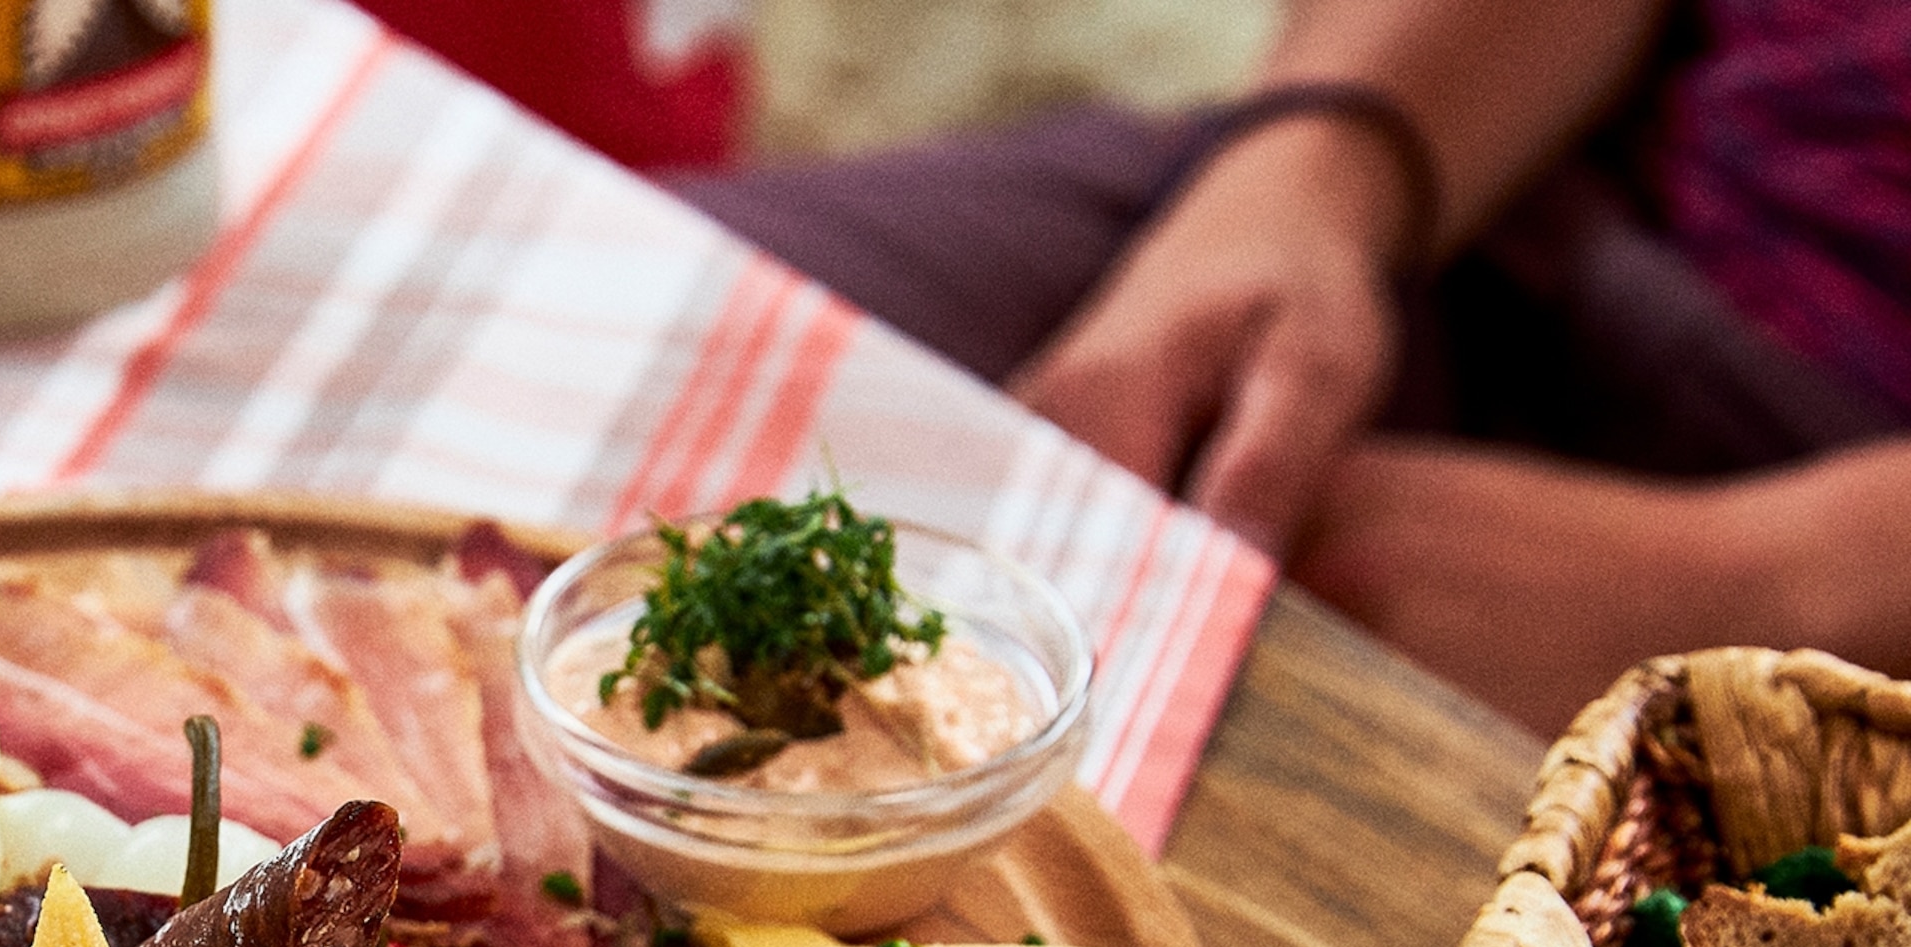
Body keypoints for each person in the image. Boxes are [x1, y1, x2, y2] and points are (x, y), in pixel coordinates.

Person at [676, 0, 1911, 735]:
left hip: (1839, 544)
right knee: (652, 357)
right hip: (1490, 164)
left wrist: (1766, 584)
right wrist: (1317, 158)